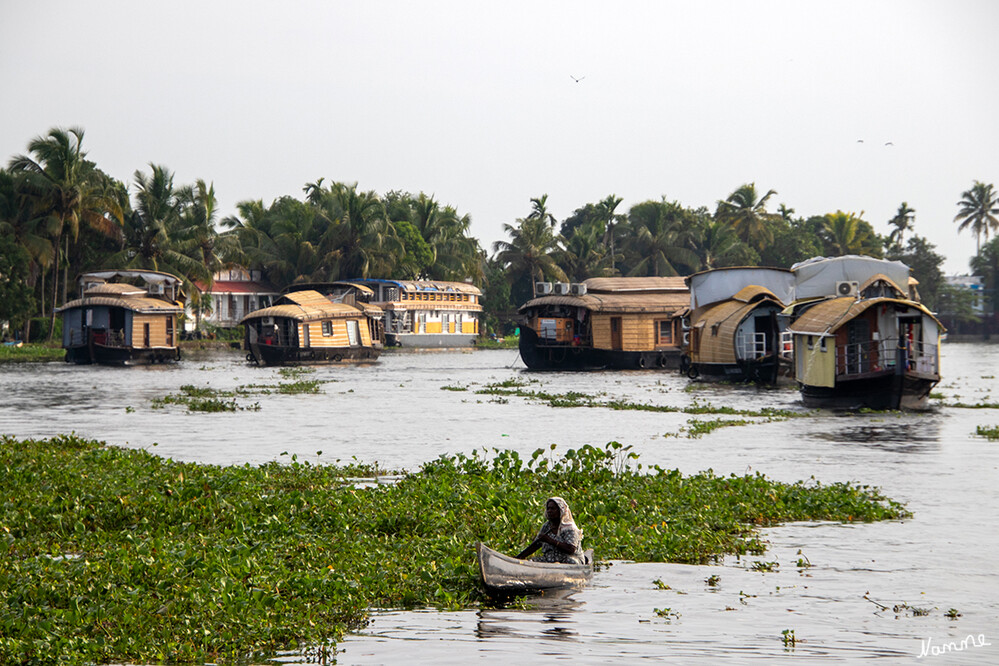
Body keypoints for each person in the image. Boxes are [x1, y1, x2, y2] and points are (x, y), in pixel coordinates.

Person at [516, 497, 584, 564]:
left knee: (570, 561)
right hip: (550, 559)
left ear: (560, 510)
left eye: (553, 509)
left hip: (569, 559)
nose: (549, 511)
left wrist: (549, 540)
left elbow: (571, 549)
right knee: (532, 561)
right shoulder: (546, 526)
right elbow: (535, 545)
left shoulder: (569, 527)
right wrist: (519, 557)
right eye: (548, 508)